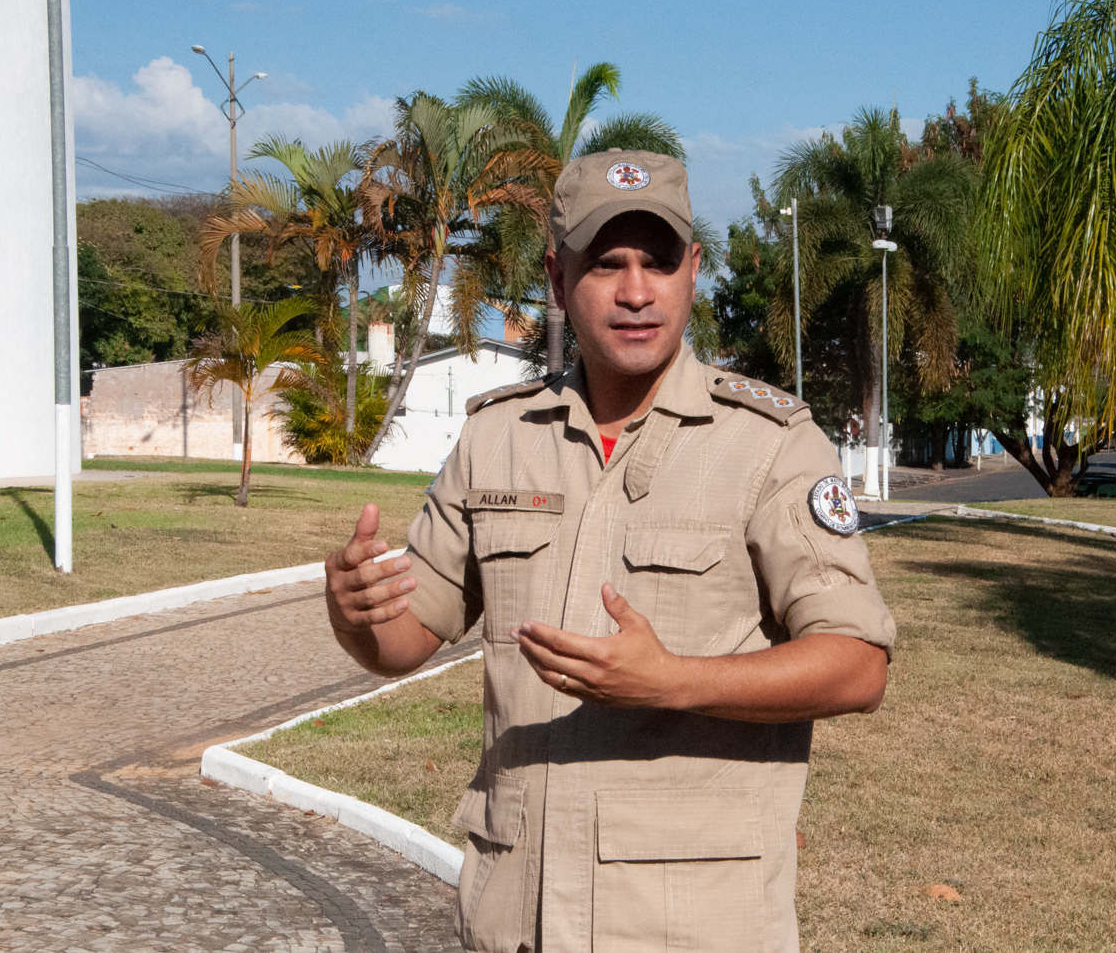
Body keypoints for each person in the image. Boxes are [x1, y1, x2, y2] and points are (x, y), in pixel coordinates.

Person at [324, 148, 895, 953]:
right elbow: (404, 638)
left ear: (693, 271)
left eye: (659, 262)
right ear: (559, 280)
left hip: (687, 926)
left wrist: (674, 684)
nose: (636, 291)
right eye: (607, 264)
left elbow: (858, 663)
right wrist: (353, 614)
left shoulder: (770, 445)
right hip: (515, 920)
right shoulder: (497, 438)